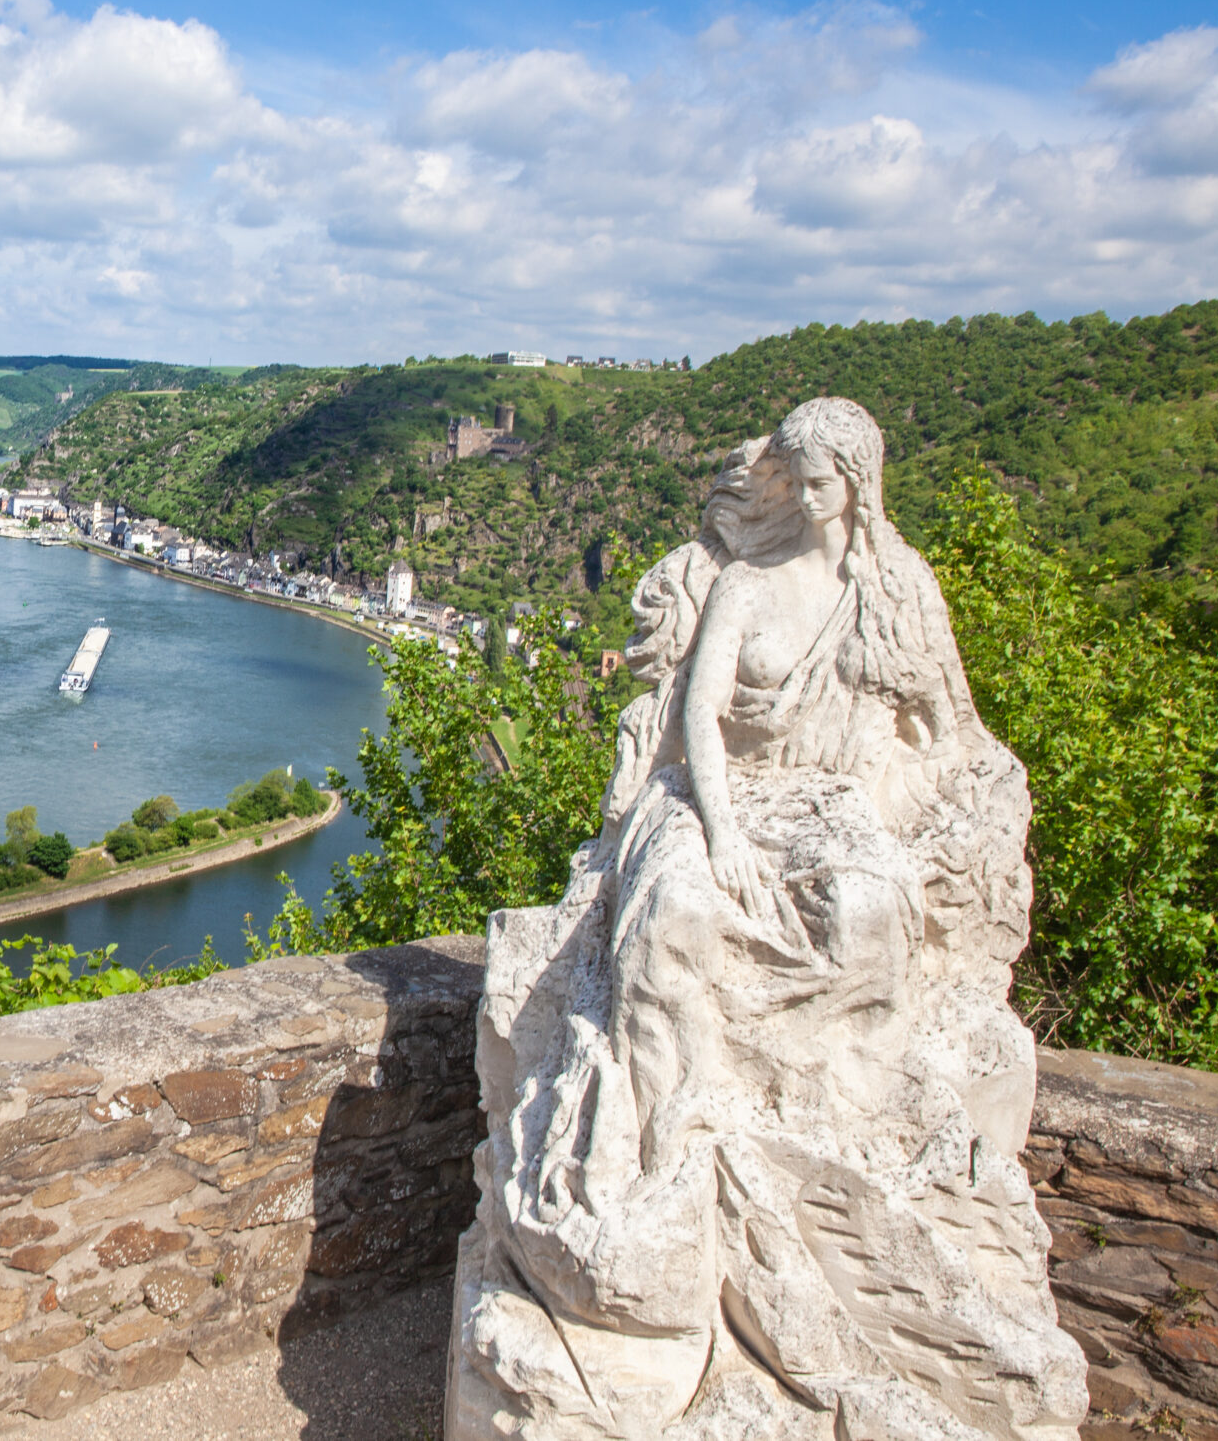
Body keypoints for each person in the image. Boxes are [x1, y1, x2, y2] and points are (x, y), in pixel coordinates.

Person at [450, 398, 1084, 1440]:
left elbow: (948, 730)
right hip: (713, 796)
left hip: (831, 810)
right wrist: (725, 829)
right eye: (784, 477)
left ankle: (858, 1127)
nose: (796, 495)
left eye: (815, 479)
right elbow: (697, 715)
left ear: (856, 481)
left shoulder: (898, 592)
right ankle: (658, 1143)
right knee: (668, 925)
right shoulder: (746, 583)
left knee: (872, 919)